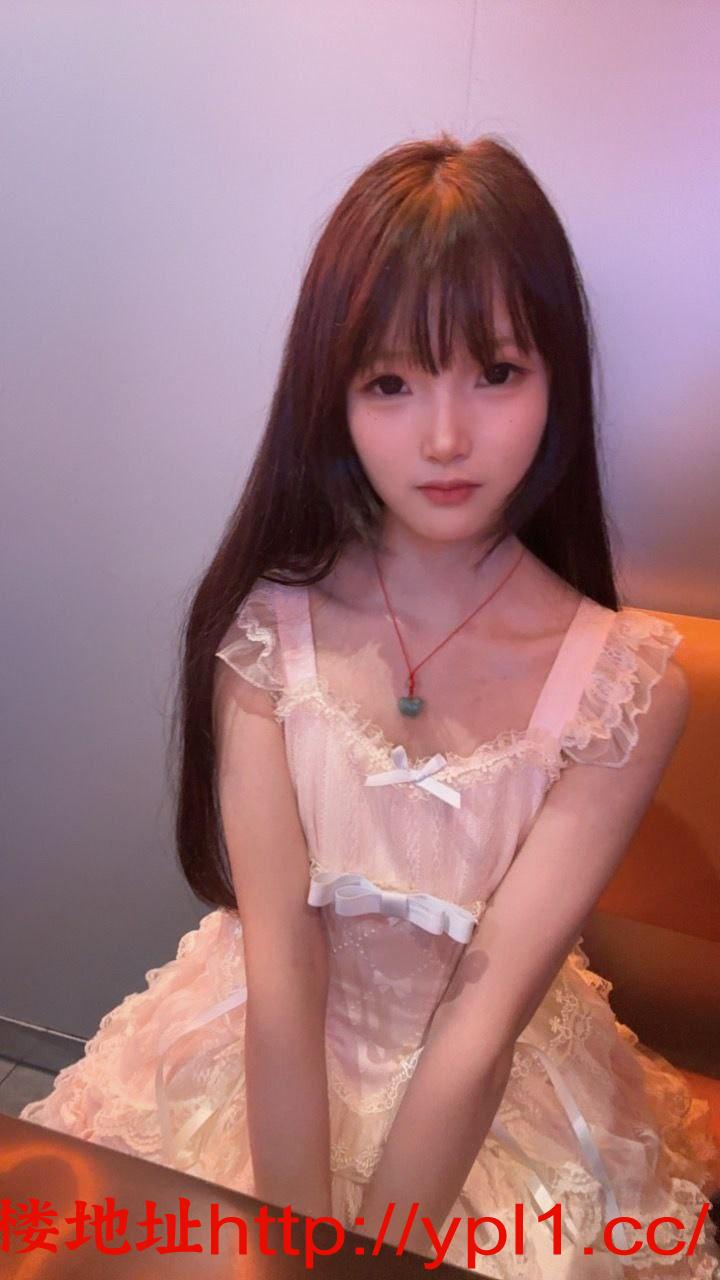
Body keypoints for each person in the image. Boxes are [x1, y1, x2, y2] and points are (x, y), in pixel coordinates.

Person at [20, 133, 720, 1277]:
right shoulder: (268, 632)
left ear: (558, 376)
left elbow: (482, 1026)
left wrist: (368, 1261)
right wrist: (293, 1242)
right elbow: (282, 964)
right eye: (391, 383)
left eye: (496, 371)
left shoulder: (622, 685)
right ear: (332, 396)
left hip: (490, 1097)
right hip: (263, 1049)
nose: (445, 437)